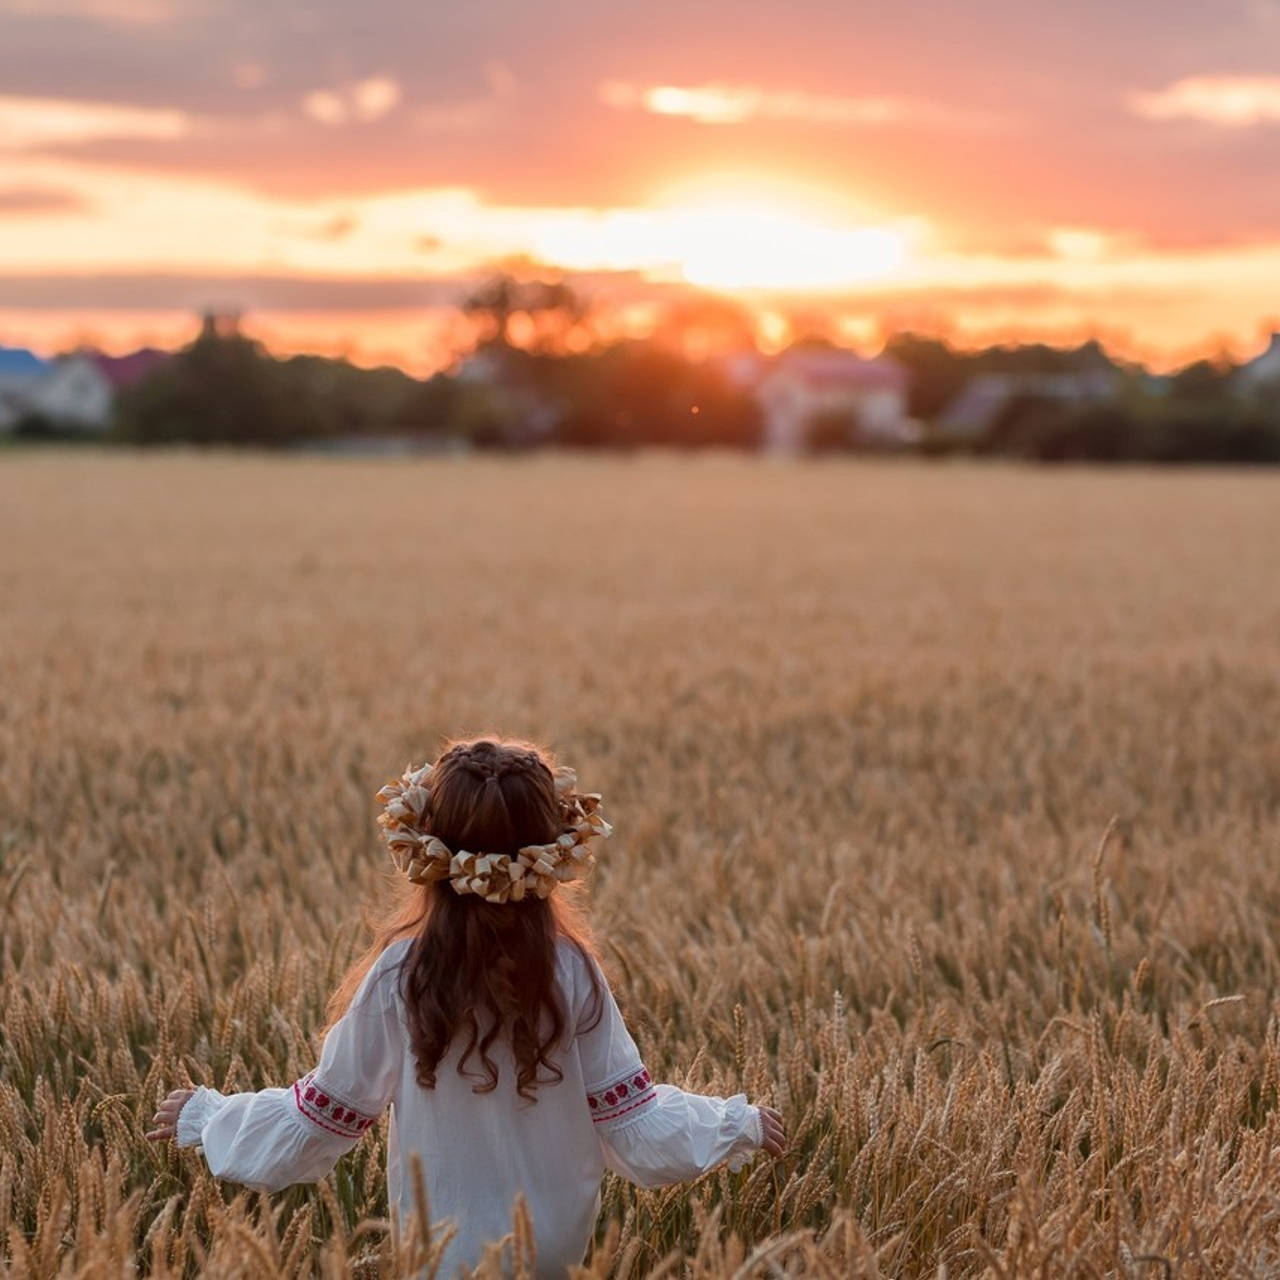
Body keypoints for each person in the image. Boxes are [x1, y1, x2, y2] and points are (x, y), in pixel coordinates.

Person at [148, 737, 786, 1275]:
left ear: (426, 850)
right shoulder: (570, 970)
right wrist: (735, 1123)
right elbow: (634, 1125)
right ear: (552, 853)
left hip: (439, 1258)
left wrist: (211, 1118)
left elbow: (322, 1119)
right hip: (550, 1260)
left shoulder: (402, 973)